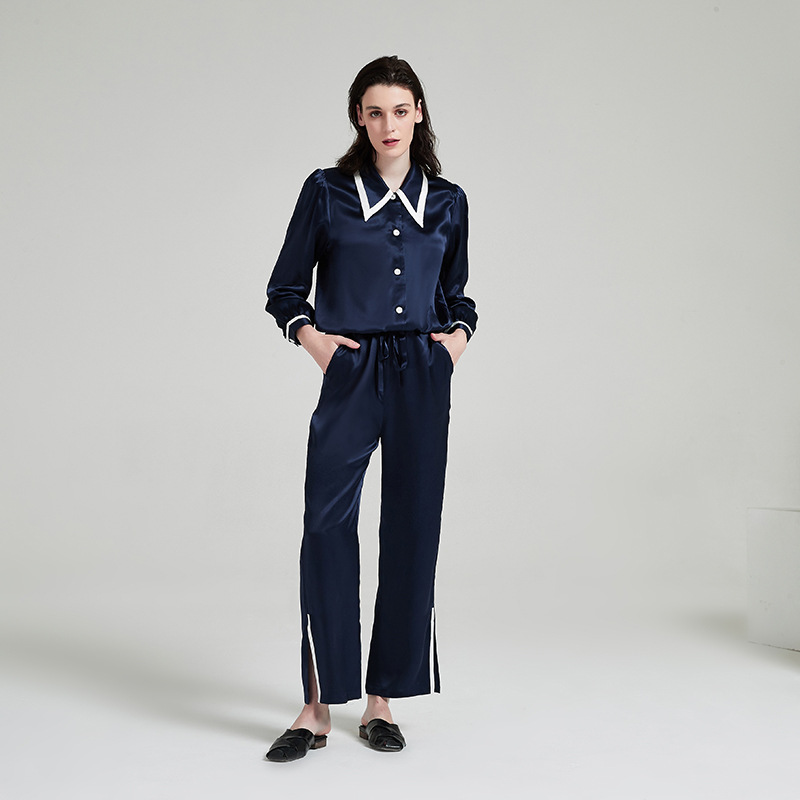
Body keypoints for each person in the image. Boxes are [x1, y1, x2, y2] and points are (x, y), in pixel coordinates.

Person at [263, 55, 478, 762]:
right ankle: (317, 706)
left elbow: (458, 294)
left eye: (401, 110)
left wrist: (455, 341)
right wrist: (315, 342)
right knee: (326, 525)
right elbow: (284, 289)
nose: (389, 124)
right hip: (351, 370)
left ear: (419, 115)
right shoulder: (326, 192)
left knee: (412, 528)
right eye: (375, 111)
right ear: (359, 117)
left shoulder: (447, 201)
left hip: (422, 373)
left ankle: (382, 700)